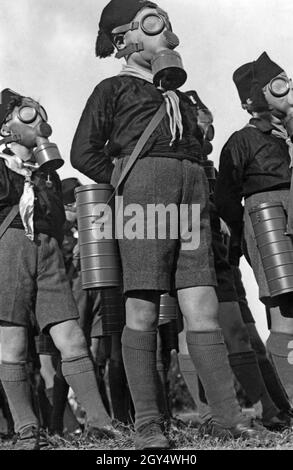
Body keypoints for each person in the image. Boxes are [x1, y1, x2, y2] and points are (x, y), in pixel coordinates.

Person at [71, 0, 261, 449]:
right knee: (141, 307)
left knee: (203, 306)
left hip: (192, 196)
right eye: (154, 24)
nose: (166, 34)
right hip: (144, 198)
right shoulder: (113, 89)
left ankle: (227, 417)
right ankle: (149, 425)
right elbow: (83, 152)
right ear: (124, 40)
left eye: (167, 23)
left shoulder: (181, 97)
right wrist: (127, 180)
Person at [0, 89, 118, 450]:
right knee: (13, 346)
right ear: (6, 124)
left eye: (38, 111)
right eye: (26, 113)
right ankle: (27, 429)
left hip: (48, 253)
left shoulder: (47, 174)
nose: (37, 119)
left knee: (72, 338)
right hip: (9, 250)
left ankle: (102, 424)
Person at [215, 51, 293, 410]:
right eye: (278, 85)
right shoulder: (241, 142)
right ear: (252, 102)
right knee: (286, 318)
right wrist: (235, 252)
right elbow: (227, 202)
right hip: (268, 224)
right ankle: (286, 404)